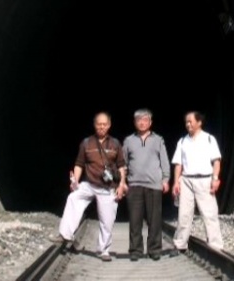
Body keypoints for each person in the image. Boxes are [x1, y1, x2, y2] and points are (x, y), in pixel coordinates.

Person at [50, 111, 127, 262]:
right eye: (99, 124)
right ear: (94, 125)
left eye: (105, 124)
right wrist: (75, 182)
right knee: (73, 197)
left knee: (107, 220)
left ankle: (103, 250)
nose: (102, 127)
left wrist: (122, 184)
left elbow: (121, 166)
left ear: (109, 125)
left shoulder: (115, 144)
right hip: (89, 184)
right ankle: (65, 234)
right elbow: (79, 164)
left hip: (107, 187)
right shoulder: (86, 143)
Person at [170, 110, 224, 254]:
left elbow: (216, 161)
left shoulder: (209, 139)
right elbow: (178, 164)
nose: (188, 125)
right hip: (186, 180)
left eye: (190, 121)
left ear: (199, 122)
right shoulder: (182, 141)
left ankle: (215, 245)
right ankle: (180, 244)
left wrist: (215, 179)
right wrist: (176, 182)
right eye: (186, 122)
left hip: (205, 179)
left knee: (209, 213)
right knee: (184, 214)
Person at [123, 108, 171, 261]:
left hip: (154, 185)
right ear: (134, 122)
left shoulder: (159, 140)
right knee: (135, 220)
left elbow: (164, 161)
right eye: (139, 120)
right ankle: (135, 250)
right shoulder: (128, 140)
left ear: (150, 122)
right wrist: (122, 182)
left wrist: (165, 179)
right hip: (134, 184)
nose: (142, 122)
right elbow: (123, 163)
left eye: (145, 119)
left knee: (154, 220)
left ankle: (154, 249)